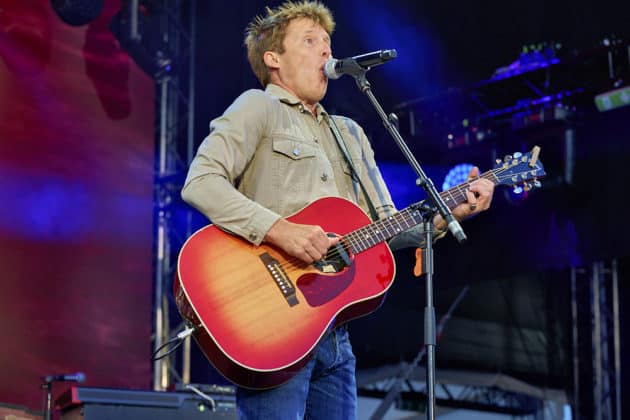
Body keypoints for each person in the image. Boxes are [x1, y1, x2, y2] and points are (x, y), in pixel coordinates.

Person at [181, 1, 495, 418]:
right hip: (272, 324)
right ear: (274, 59)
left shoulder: (350, 133)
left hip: (334, 333)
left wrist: (450, 210)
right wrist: (281, 231)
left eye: (328, 43)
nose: (326, 52)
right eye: (310, 42)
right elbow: (200, 183)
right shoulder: (258, 107)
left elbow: (385, 226)